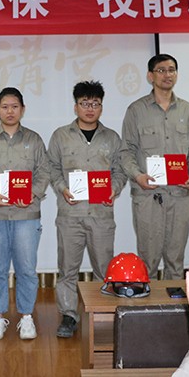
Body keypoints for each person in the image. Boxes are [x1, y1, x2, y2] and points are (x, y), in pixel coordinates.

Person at [47, 80, 127, 338]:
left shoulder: (112, 138)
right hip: (70, 215)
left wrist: (114, 188)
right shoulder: (60, 136)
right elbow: (52, 168)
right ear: (76, 106)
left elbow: (120, 171)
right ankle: (68, 315)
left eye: (95, 104)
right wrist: (62, 188)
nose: (90, 109)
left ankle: (103, 314)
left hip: (101, 216)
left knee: (104, 269)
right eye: (85, 103)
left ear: (101, 107)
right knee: (67, 269)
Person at [0, 87, 50, 341]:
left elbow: (44, 172)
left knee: (27, 268)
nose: (10, 111)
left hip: (27, 215)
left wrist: (32, 194)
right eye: (4, 107)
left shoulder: (34, 140)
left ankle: (26, 316)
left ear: (22, 109)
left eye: (15, 106)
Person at [120, 54, 189, 280]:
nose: (168, 75)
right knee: (147, 260)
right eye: (162, 70)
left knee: (176, 260)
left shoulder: (187, 110)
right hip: (149, 195)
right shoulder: (136, 110)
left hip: (180, 194)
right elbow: (126, 151)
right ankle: (147, 302)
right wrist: (137, 176)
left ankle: (173, 302)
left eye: (172, 70)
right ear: (150, 76)